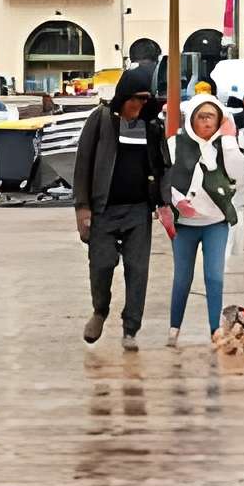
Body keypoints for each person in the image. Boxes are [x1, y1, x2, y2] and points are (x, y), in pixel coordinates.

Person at [73, 77, 168, 349]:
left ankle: (131, 328)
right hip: (104, 209)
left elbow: (162, 166)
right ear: (124, 97)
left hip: (138, 211)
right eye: (136, 99)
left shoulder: (152, 126)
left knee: (138, 270)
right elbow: (83, 162)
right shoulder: (101, 119)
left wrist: (164, 203)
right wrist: (82, 207)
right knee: (101, 264)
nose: (140, 104)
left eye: (145, 99)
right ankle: (100, 310)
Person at [163, 93, 244, 341]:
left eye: (212, 116)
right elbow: (164, 179)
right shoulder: (175, 144)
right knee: (183, 278)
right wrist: (176, 201)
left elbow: (239, 176)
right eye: (201, 116)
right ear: (191, 119)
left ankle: (215, 330)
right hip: (184, 224)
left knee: (214, 276)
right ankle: (174, 328)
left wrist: (229, 141)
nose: (207, 122)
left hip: (215, 222)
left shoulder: (224, 146)